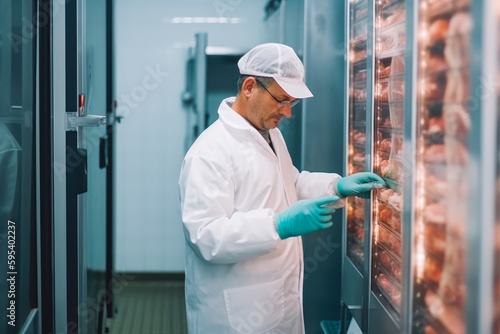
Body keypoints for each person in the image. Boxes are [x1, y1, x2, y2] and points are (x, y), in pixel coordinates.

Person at [178, 43, 385, 333]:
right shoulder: (209, 153)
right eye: (281, 100)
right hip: (236, 312)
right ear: (250, 86)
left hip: (276, 301)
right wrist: (277, 225)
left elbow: (290, 181)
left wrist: (336, 186)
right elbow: (205, 236)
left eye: (293, 103)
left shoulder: (268, 133)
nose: (287, 113)